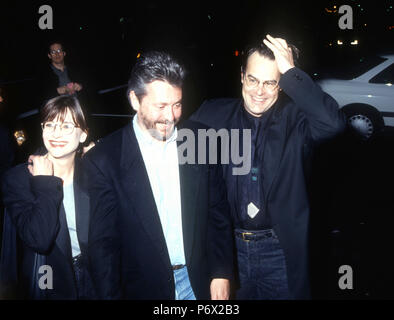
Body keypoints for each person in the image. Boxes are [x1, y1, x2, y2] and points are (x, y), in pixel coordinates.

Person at [190, 34, 347, 299]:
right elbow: (171, 150)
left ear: (282, 85)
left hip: (279, 251)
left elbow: (333, 124)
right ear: (241, 76)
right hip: (228, 251)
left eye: (270, 82)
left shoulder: (297, 122)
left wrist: (291, 71)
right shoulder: (211, 116)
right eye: (252, 79)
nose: (258, 91)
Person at [84, 51, 234, 300]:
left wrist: (222, 272)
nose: (171, 116)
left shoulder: (201, 141)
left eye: (177, 104)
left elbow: (217, 212)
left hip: (200, 281)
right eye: (161, 106)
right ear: (134, 99)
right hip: (142, 289)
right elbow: (104, 248)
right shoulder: (103, 160)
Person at [1, 95, 96, 299]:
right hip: (52, 280)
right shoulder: (17, 179)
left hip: (95, 275)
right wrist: (44, 183)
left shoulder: (95, 172)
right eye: (50, 124)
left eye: (66, 126)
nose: (56, 133)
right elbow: (40, 239)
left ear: (83, 135)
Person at [36, 41, 84, 106]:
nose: (57, 54)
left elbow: (87, 86)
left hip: (77, 108)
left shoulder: (74, 70)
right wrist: (57, 91)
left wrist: (80, 86)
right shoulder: (43, 74)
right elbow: (40, 97)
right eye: (53, 52)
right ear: (49, 55)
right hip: (58, 111)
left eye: (59, 51)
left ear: (64, 53)